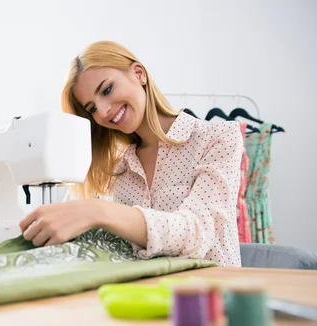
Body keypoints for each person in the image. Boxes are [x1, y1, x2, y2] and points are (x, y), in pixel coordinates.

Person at [19, 41, 243, 267]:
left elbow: (196, 232)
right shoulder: (113, 171)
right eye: (92, 108)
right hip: (141, 299)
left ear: (139, 74)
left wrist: (98, 211)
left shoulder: (218, 138)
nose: (104, 111)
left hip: (214, 297)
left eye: (107, 90)